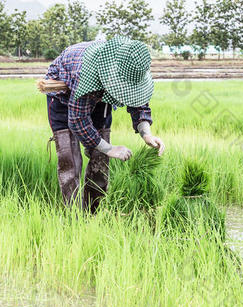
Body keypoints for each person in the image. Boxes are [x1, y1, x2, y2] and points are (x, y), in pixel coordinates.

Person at [37, 36, 165, 213]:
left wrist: (146, 133)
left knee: (100, 160)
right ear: (112, 77)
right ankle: (74, 218)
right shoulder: (87, 72)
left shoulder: (132, 68)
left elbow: (138, 101)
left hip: (99, 96)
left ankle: (92, 214)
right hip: (63, 97)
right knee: (70, 161)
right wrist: (110, 148)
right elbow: (77, 120)